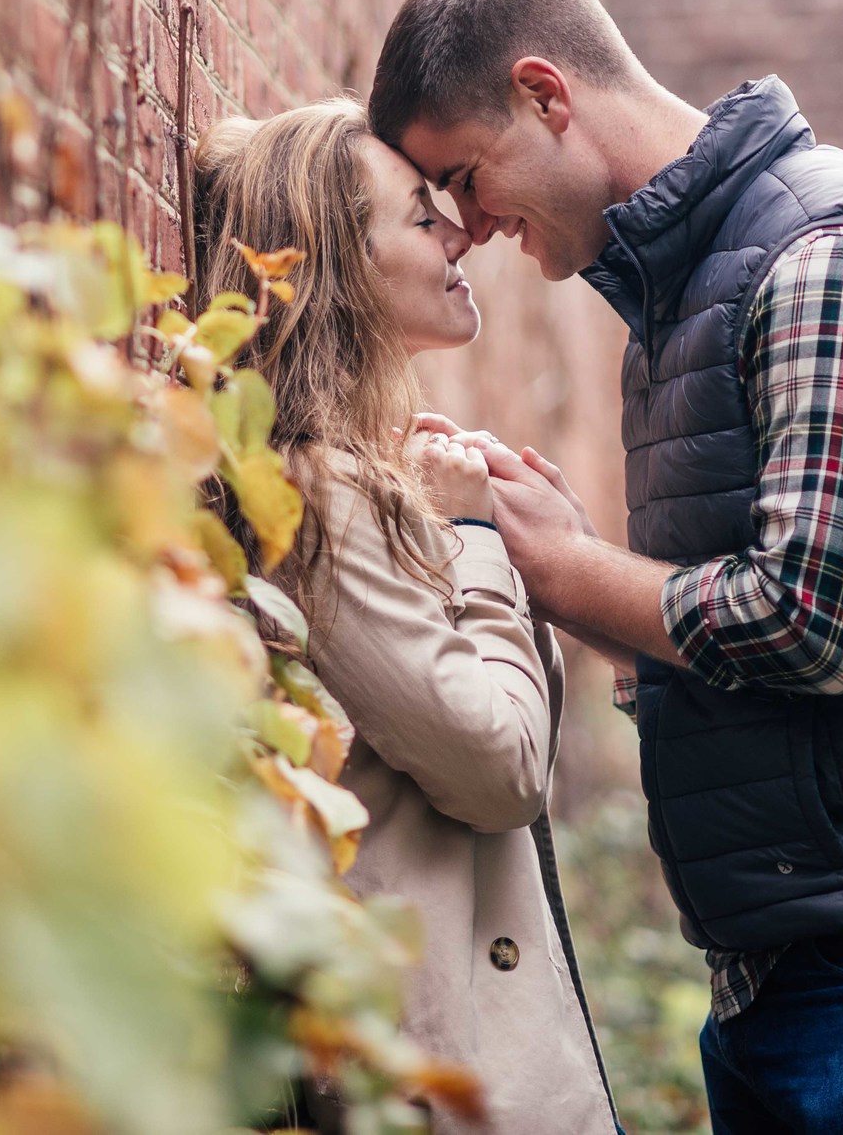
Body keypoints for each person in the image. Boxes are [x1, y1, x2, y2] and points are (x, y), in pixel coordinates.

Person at [367, 0, 843, 1134]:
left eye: (465, 174)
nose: (469, 226)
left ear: (546, 94)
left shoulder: (830, 256)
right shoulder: (683, 292)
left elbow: (811, 624)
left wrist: (560, 569)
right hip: (799, 964)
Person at [191, 100, 618, 1135]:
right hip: (447, 1069)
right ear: (340, 262)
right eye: (422, 219)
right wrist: (472, 540)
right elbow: (499, 767)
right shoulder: (321, 496)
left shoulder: (348, 483)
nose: (462, 232)